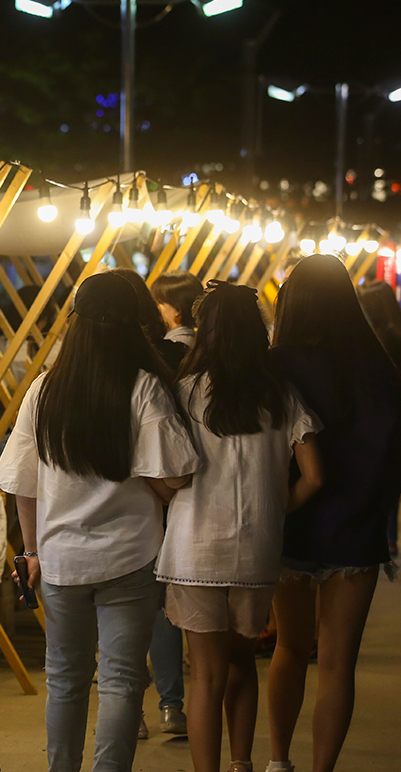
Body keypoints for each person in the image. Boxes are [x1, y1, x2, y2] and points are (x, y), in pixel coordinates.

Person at [0, 272, 198, 772]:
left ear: (75, 324)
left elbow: (22, 481)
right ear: (133, 325)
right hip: (130, 557)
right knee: (121, 682)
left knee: (65, 679)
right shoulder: (144, 387)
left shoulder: (44, 389)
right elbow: (175, 475)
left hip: (60, 561)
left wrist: (31, 551)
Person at [156, 282, 323, 772]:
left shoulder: (184, 392)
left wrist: (171, 498)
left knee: (206, 677)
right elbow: (315, 477)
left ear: (203, 331)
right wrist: (275, 509)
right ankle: (242, 764)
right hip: (256, 549)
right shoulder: (280, 394)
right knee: (241, 662)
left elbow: (164, 474)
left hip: (193, 549)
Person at [266, 254, 401, 772]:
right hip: (357, 530)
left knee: (289, 649)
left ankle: (279, 761)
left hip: (292, 525)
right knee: (338, 664)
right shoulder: (377, 365)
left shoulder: (279, 364)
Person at [110, 267, 189, 737]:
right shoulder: (170, 358)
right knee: (161, 609)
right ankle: (171, 705)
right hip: (167, 496)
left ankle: (132, 712)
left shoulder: (93, 367)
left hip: (121, 504)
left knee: (121, 616)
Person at [358, 280, 401, 556]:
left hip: (385, 418)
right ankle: (390, 537)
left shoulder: (378, 342)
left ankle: (386, 537)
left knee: (383, 478)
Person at [151, 271, 204, 347]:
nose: (155, 307)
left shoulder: (176, 343)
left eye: (159, 302)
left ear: (178, 309)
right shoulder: (194, 339)